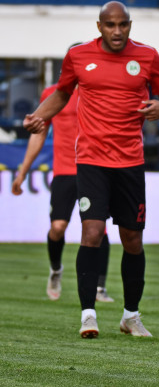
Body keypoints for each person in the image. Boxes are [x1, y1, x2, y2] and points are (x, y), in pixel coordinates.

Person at [23, 1, 159, 338]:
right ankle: (88, 315)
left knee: (132, 240)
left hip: (131, 162)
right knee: (91, 233)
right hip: (92, 160)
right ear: (99, 26)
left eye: (123, 24)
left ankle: (131, 316)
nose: (117, 31)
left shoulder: (148, 56)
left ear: (130, 25)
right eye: (110, 25)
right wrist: (40, 115)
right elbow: (62, 93)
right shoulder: (78, 56)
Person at [12, 81, 114, 303]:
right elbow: (38, 134)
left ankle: (99, 287)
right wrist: (23, 172)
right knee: (57, 227)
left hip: (94, 170)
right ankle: (56, 270)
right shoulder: (53, 94)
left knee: (98, 229)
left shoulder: (100, 89)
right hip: (64, 171)